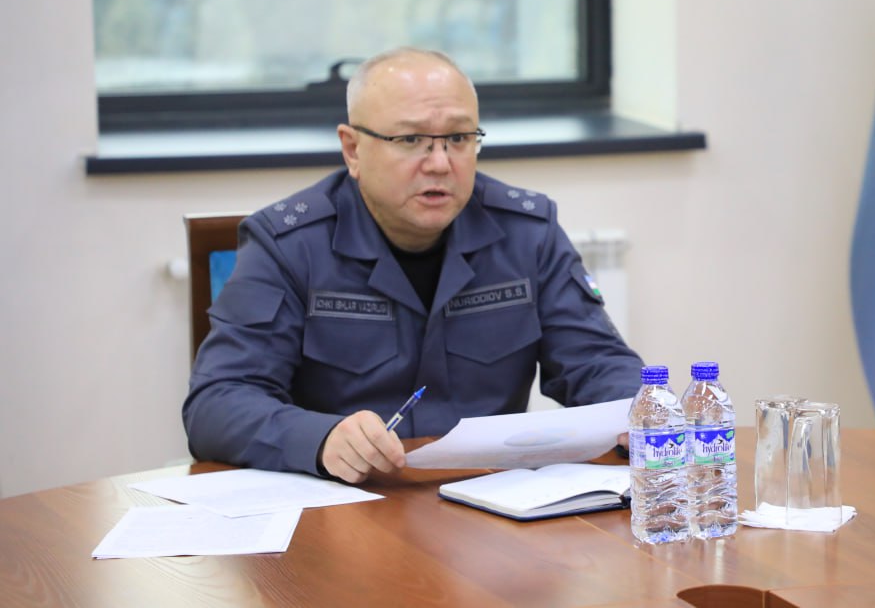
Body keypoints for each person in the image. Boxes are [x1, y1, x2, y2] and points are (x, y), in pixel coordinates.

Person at [183, 48, 642, 483]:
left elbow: (596, 361)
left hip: (493, 498)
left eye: (458, 139)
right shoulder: (288, 244)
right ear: (353, 149)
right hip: (352, 501)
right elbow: (217, 404)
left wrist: (640, 412)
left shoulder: (528, 232)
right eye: (410, 140)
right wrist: (321, 438)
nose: (440, 163)